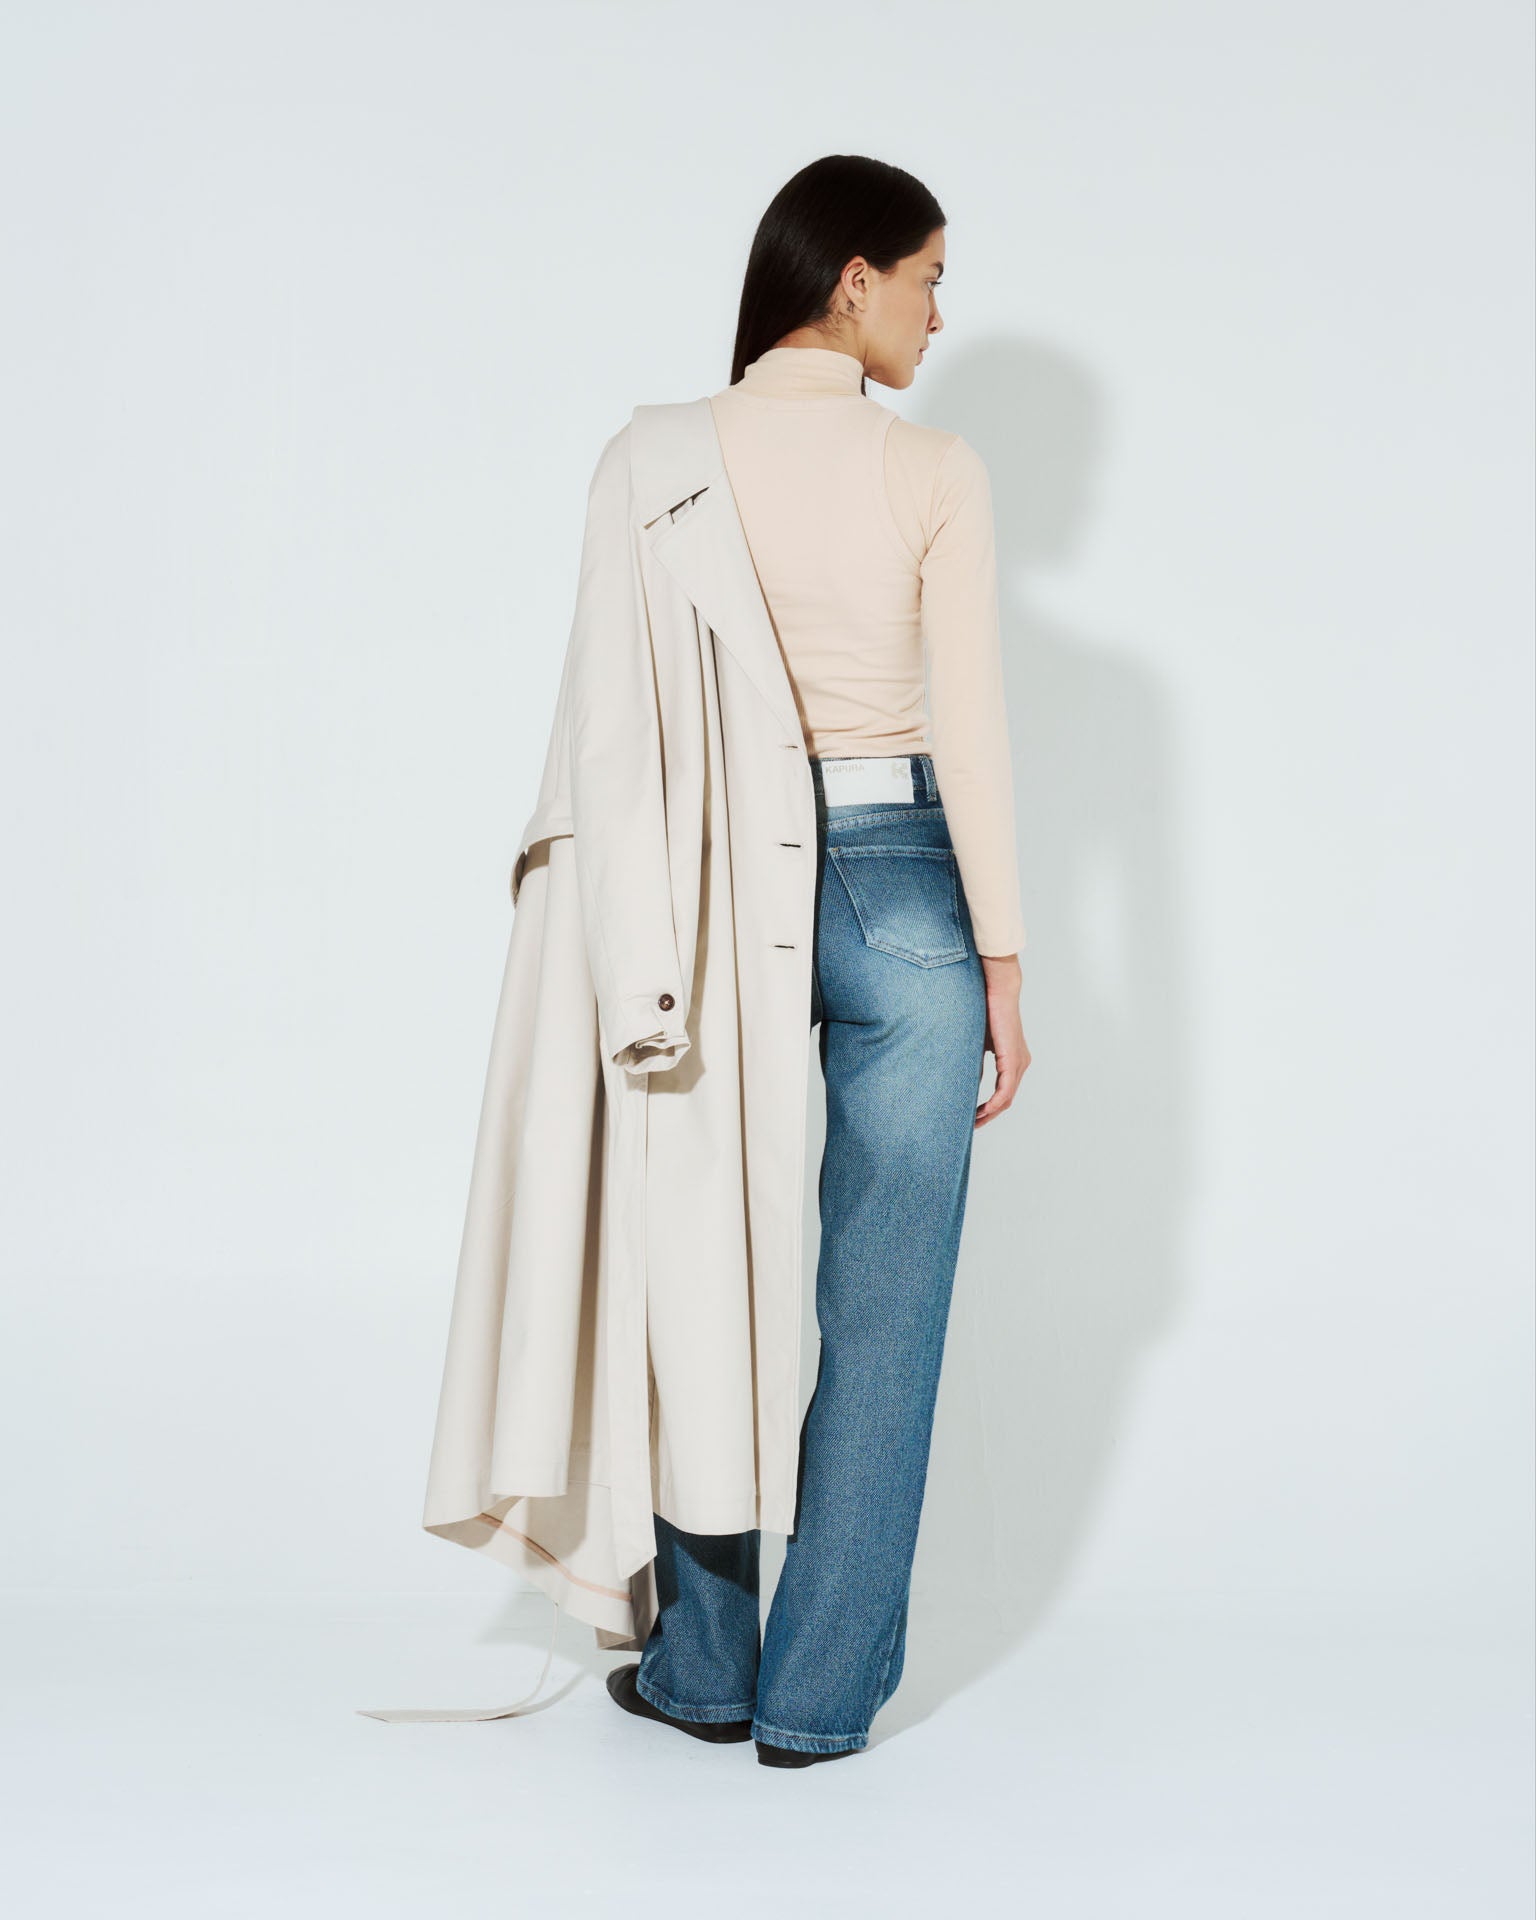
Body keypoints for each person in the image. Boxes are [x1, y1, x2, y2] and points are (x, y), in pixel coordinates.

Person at [602, 153, 1032, 1767]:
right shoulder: (934, 470)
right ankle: (818, 1696)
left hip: (714, 888)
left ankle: (704, 1670)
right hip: (906, 882)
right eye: (930, 278)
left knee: (698, 1275)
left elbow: (619, 732)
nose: (938, 314)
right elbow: (968, 732)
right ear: (854, 279)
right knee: (887, 1305)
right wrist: (1003, 962)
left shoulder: (656, 457)